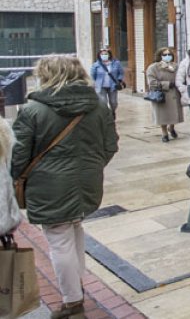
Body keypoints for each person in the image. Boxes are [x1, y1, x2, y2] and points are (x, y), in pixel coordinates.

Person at [11, 56, 118, 319]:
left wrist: (21, 178)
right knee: (74, 229)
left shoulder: (32, 110)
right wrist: (91, 166)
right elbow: (110, 145)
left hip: (49, 186)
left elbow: (18, 157)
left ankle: (72, 302)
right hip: (87, 181)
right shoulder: (98, 106)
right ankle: (75, 285)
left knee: (59, 240)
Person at [145, 47, 183, 143]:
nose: (167, 56)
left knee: (174, 115)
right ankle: (164, 133)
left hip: (175, 94)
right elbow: (152, 83)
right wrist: (167, 84)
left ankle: (171, 127)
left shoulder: (176, 66)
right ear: (160, 56)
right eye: (164, 55)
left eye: (169, 54)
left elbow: (182, 77)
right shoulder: (153, 67)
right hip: (162, 95)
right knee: (162, 115)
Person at [88, 47, 124, 119]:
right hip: (101, 86)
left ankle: (112, 111)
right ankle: (106, 115)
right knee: (103, 102)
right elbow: (93, 75)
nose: (104, 55)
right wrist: (94, 83)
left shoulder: (116, 63)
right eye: (102, 54)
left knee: (113, 102)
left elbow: (121, 73)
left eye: (106, 54)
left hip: (113, 86)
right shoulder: (96, 65)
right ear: (99, 55)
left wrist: (119, 80)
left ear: (109, 54)